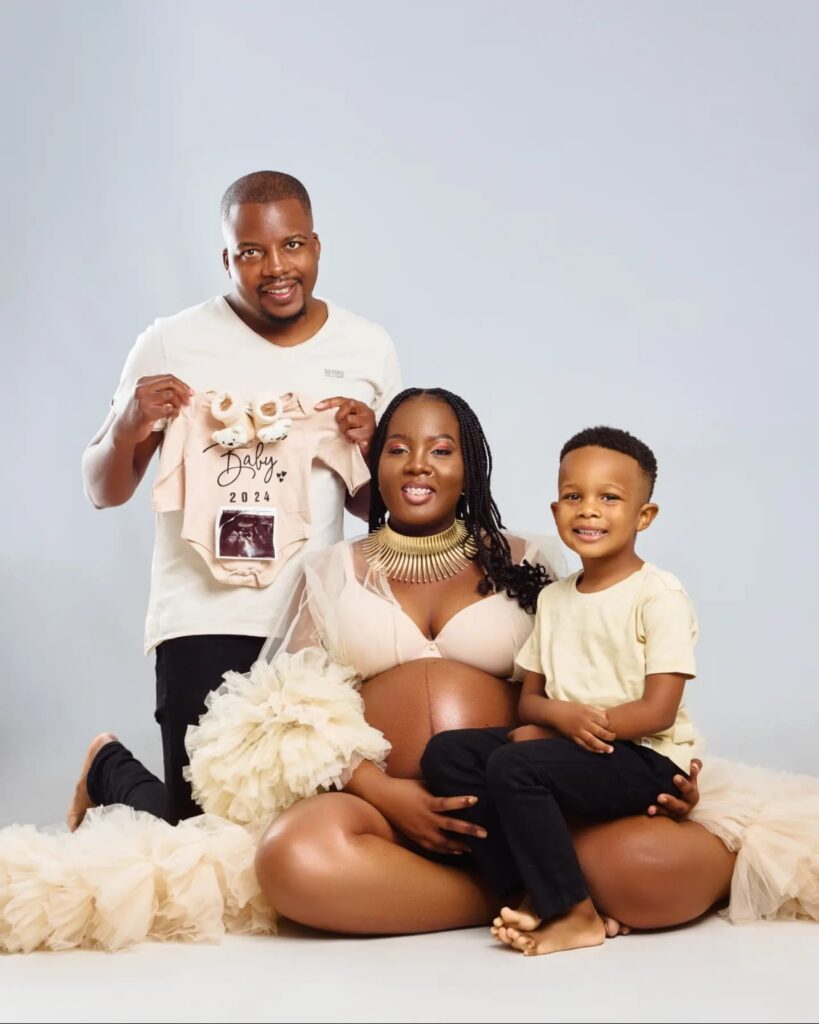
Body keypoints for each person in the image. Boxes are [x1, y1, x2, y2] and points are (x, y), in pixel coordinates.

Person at [73, 170, 402, 828]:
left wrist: (371, 449)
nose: (275, 267)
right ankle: (108, 766)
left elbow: (381, 509)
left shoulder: (367, 347)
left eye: (293, 245)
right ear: (227, 259)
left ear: (316, 246)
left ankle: (111, 768)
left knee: (290, 823)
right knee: (201, 830)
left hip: (312, 619)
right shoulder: (170, 341)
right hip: (200, 613)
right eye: (252, 252)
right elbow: (102, 489)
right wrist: (129, 423)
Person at [421, 426, 702, 956]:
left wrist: (563, 732)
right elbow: (530, 700)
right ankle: (527, 892)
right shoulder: (554, 599)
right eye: (574, 496)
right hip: (571, 748)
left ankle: (576, 915)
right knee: (449, 753)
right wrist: (556, 722)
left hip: (643, 756)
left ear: (644, 516)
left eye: (609, 498)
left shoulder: (658, 595)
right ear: (556, 511)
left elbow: (658, 711)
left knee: (515, 766)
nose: (589, 509)